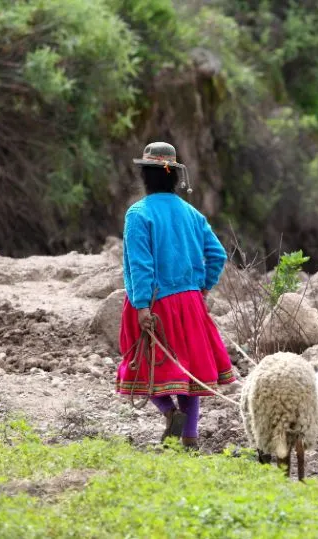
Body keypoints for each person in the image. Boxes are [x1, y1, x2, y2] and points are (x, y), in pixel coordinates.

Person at [115, 141, 236, 449]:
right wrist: (204, 287)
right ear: (175, 177)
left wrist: (142, 306)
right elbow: (217, 254)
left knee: (144, 363)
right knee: (190, 372)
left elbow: (141, 264)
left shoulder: (138, 214)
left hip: (155, 303)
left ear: (145, 175)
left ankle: (169, 413)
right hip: (191, 303)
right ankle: (191, 439)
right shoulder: (193, 215)